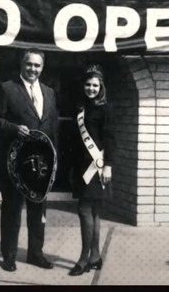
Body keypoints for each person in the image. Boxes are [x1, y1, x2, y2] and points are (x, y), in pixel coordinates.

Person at [0, 48, 59, 272]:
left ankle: (35, 253)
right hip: (16, 162)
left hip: (41, 164)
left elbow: (53, 127)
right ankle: (9, 256)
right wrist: (13, 128)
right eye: (29, 64)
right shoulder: (6, 88)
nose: (33, 69)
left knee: (38, 210)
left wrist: (53, 161)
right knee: (12, 209)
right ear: (22, 64)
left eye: (37, 65)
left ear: (42, 67)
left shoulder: (49, 92)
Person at [67, 65, 115, 276]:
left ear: (101, 86)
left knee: (84, 210)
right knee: (93, 212)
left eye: (95, 85)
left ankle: (84, 258)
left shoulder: (105, 109)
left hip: (97, 167)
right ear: (83, 86)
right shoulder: (80, 107)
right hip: (81, 166)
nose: (91, 88)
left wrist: (108, 166)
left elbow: (111, 139)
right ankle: (94, 257)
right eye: (88, 84)